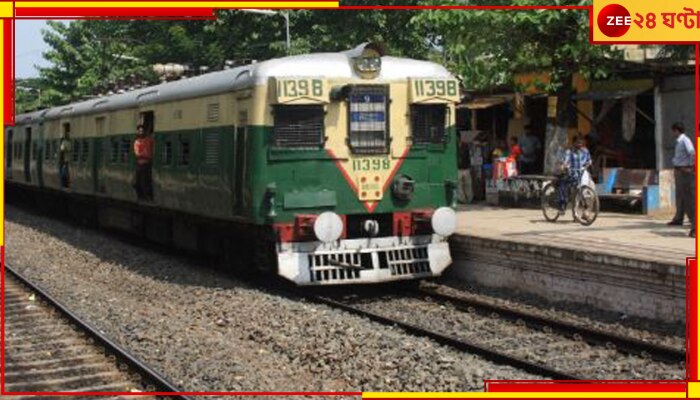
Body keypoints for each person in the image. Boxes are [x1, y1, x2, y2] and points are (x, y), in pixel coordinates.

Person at [667, 122, 695, 237]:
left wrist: (690, 167)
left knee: (688, 197)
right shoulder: (679, 141)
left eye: (673, 131)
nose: (672, 133)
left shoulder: (685, 140)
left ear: (676, 130)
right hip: (679, 170)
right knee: (680, 195)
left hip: (684, 171)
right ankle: (679, 217)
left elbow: (693, 153)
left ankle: (694, 223)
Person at [556, 135, 591, 214]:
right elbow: (565, 160)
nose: (580, 144)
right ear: (574, 143)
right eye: (578, 143)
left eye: (581, 142)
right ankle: (561, 205)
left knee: (586, 190)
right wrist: (564, 165)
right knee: (562, 185)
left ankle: (585, 208)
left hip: (582, 173)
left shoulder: (585, 151)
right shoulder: (569, 151)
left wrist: (587, 165)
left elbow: (589, 161)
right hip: (572, 174)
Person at [133, 124, 154, 201]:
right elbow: (137, 154)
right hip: (140, 164)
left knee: (147, 181)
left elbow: (152, 150)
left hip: (147, 164)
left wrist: (146, 156)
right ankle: (141, 197)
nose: (141, 132)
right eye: (139, 131)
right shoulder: (137, 142)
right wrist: (147, 156)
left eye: (142, 131)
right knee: (138, 182)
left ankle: (147, 197)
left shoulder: (149, 140)